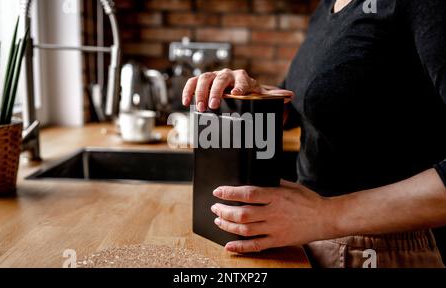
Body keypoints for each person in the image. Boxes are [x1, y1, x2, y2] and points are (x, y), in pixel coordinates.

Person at [182, 0, 446, 268]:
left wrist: (325, 215)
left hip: (378, 253)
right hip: (308, 244)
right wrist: (247, 95)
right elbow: (304, 105)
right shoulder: (328, 7)